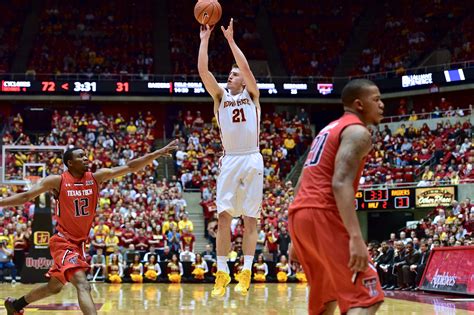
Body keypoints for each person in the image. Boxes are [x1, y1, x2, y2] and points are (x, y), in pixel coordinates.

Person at [2, 140, 177, 315]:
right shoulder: (57, 181)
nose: (86, 158)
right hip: (63, 242)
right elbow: (25, 196)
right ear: (70, 163)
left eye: (86, 155)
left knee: (53, 287)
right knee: (83, 284)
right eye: (81, 156)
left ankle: (16, 306)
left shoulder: (96, 177)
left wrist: (156, 154)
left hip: (80, 244)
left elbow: (130, 167)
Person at [289, 79, 385, 314]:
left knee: (326, 297)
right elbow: (340, 183)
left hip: (301, 214)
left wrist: (295, 238)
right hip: (324, 213)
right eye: (376, 99)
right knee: (367, 298)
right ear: (359, 104)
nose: (382, 104)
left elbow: (301, 181)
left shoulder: (328, 129)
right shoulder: (357, 132)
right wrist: (355, 237)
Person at [198, 19, 263, 297]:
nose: (230, 76)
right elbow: (203, 71)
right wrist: (204, 39)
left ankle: (246, 270)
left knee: (251, 219)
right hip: (230, 159)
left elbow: (247, 69)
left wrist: (231, 41)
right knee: (223, 218)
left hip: (251, 158)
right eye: (230, 73)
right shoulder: (219, 96)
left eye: (234, 74)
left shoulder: (252, 94)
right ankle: (222, 272)